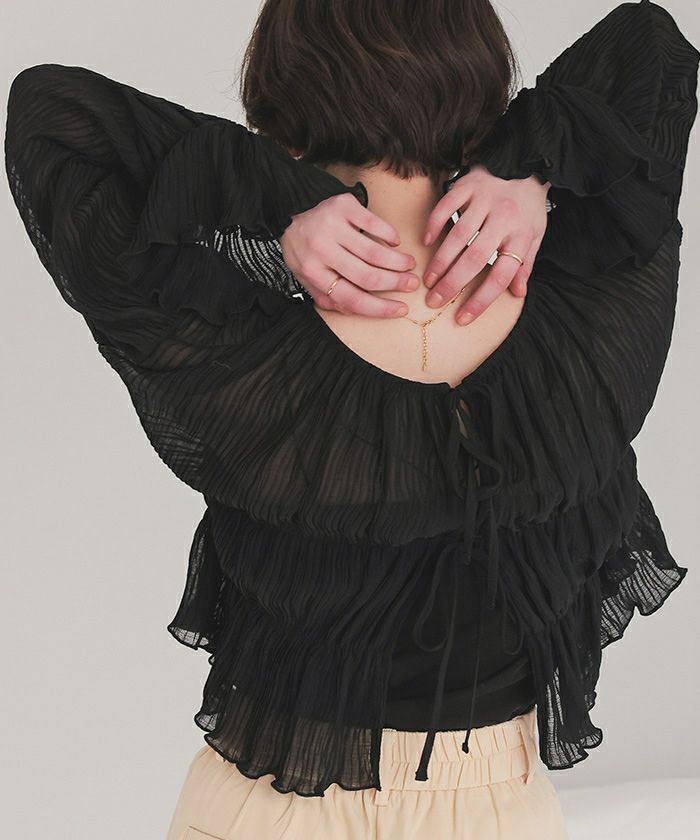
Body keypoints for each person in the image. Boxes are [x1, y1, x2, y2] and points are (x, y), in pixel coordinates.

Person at [4, 0, 698, 838]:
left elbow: (49, 119)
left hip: (261, 813)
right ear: (482, 88)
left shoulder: (242, 356)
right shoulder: (593, 314)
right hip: (497, 814)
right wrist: (532, 168)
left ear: (281, 117)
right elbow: (652, 46)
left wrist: (277, 200)